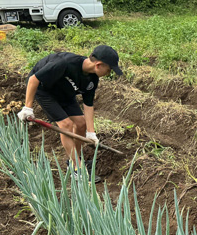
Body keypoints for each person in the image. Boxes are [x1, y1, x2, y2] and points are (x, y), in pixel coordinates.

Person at [17, 45, 122, 181]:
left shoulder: (92, 79)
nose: (109, 73)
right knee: (66, 124)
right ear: (98, 65)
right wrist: (28, 107)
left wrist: (91, 132)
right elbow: (33, 80)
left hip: (65, 93)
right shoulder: (64, 63)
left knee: (80, 123)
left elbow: (88, 106)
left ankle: (73, 162)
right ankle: (78, 169)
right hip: (45, 91)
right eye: (109, 70)